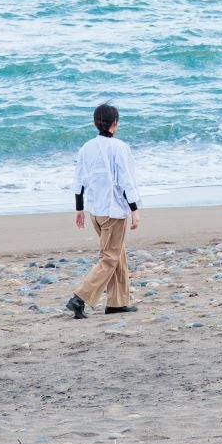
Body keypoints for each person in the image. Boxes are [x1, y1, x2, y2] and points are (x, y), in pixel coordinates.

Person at [64, 102, 142, 319]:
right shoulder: (119, 147)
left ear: (95, 123)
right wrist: (134, 209)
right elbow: (126, 181)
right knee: (110, 257)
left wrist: (79, 209)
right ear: (114, 124)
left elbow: (79, 180)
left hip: (95, 211)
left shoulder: (86, 147)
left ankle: (118, 302)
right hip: (113, 211)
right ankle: (80, 298)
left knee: (119, 254)